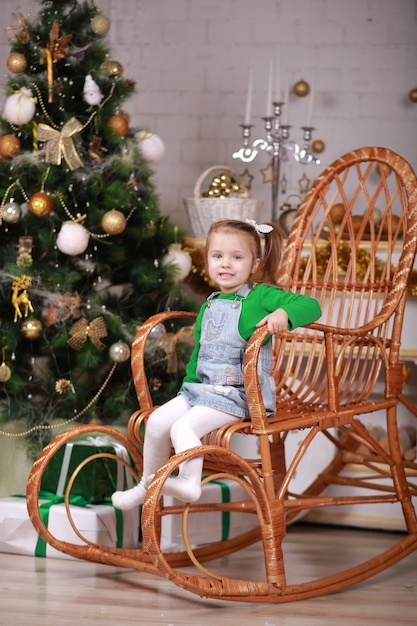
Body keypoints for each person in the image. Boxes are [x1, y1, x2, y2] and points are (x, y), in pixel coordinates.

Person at [112, 218, 321, 510]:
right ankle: (149, 484)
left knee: (182, 429)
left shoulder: (260, 296)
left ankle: (188, 483)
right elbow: (199, 356)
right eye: (217, 256)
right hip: (203, 390)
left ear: (254, 264)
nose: (226, 264)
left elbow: (312, 306)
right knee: (158, 421)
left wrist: (284, 313)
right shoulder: (209, 304)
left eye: (237, 257)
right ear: (207, 260)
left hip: (239, 395)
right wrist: (187, 390)